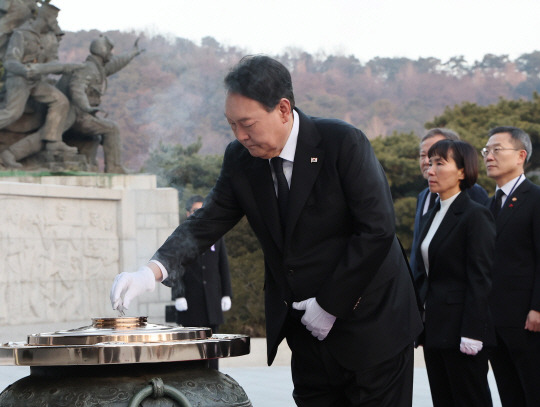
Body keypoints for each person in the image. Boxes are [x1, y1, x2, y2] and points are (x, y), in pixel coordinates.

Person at [110, 55, 423, 406]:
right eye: (231, 126)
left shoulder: (342, 143)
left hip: (372, 324)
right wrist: (151, 272)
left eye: (248, 124)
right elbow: (207, 221)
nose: (240, 136)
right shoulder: (241, 160)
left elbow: (376, 231)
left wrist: (331, 304)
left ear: (284, 109)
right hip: (306, 330)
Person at [414, 139, 496, 406]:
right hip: (434, 328)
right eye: (430, 163)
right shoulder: (432, 214)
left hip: (462, 331)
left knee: (470, 399)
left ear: (462, 171)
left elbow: (480, 278)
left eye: (440, 163)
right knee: (443, 399)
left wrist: (473, 331)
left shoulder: (475, 215)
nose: (431, 170)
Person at [481, 126, 540, 406]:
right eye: (486, 151)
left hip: (528, 321)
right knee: (509, 395)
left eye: (496, 150)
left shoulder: (535, 199)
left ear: (520, 155)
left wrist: (538, 307)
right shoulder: (488, 206)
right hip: (495, 323)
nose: (489, 156)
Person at [0, 2, 80, 168]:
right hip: (18, 79)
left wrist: (64, 69)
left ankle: (52, 141)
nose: (55, 22)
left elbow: (52, 63)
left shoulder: (50, 38)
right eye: (54, 18)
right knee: (12, 113)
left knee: (60, 101)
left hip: (37, 82)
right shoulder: (21, 34)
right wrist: (24, 70)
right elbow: (9, 62)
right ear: (46, 18)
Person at [56, 35, 144, 173]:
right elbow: (76, 88)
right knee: (112, 128)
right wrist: (87, 107)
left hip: (84, 114)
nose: (110, 54)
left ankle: (90, 164)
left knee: (96, 136)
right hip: (78, 116)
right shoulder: (88, 69)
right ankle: (114, 167)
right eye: (109, 51)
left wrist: (132, 53)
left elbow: (116, 63)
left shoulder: (97, 68)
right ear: (102, 51)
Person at [409, 128, 488, 281]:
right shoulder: (423, 196)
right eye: (424, 156)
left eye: (437, 160)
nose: (427, 162)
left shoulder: (473, 194)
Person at [172, 194, 232, 370]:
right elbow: (174, 266)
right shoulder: (180, 236)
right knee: (192, 349)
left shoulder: (215, 234)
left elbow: (223, 266)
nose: (200, 214)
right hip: (191, 302)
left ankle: (213, 380)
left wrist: (227, 294)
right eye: (196, 211)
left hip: (212, 302)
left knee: (212, 348)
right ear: (188, 213)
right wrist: (178, 295)